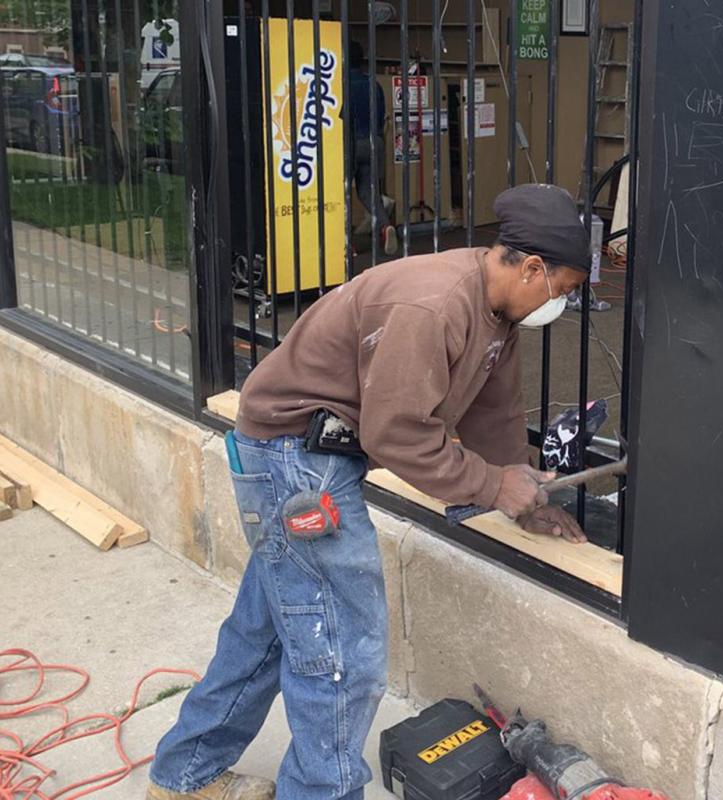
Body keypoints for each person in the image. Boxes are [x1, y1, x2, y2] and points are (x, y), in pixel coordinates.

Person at [145, 184, 591, 800]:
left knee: (269, 630)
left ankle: (181, 777)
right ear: (533, 267)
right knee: (341, 653)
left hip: (314, 454)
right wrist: (491, 484)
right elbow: (397, 433)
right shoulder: (433, 306)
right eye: (563, 289)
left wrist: (524, 494)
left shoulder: (500, 314)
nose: (561, 303)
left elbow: (494, 414)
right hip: (291, 456)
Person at [344, 39, 398, 256]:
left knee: (343, 193)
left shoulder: (341, 85)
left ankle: (347, 243)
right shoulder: (373, 84)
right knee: (368, 190)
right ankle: (386, 226)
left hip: (351, 143)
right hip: (374, 142)